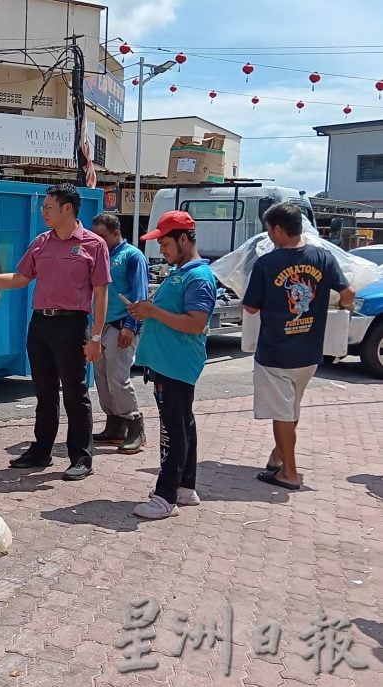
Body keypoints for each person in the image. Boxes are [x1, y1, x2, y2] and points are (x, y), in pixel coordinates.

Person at [0, 183, 110, 481]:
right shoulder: (41, 242)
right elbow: (20, 278)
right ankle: (41, 451)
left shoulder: (94, 245)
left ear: (67, 208)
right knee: (43, 392)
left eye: (48, 207)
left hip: (72, 325)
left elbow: (101, 293)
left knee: (75, 392)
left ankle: (81, 457)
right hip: (41, 323)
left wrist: (95, 338)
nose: (43, 211)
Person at [241, 202, 354, 491]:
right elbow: (348, 293)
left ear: (278, 229)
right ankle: (278, 456)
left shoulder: (267, 264)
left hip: (276, 353)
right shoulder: (323, 257)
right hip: (309, 352)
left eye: (269, 230)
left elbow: (250, 308)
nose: (268, 236)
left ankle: (289, 472)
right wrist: (341, 308)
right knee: (291, 409)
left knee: (283, 414)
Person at [126, 211, 217, 519]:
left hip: (176, 364)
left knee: (171, 431)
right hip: (169, 363)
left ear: (183, 239)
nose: (161, 250)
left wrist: (151, 311)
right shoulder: (183, 272)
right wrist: (147, 311)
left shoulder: (197, 277)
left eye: (165, 243)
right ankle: (185, 487)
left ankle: (165, 497)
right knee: (183, 425)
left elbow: (195, 323)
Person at [90, 213, 149, 454]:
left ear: (117, 233)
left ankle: (135, 425)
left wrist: (130, 326)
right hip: (100, 326)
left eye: (103, 236)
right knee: (102, 377)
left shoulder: (132, 256)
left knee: (118, 377)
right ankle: (114, 425)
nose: (99, 240)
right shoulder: (100, 255)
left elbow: (139, 293)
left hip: (120, 326)